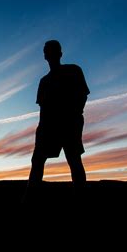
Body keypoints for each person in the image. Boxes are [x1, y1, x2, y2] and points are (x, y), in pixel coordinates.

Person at [26, 40, 90, 196]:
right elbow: (43, 109)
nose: (49, 54)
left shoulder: (74, 71)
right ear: (45, 56)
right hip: (48, 128)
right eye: (47, 51)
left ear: (60, 53)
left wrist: (74, 116)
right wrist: (40, 131)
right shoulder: (44, 81)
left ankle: (81, 197)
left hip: (70, 124)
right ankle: (30, 197)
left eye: (53, 50)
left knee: (74, 160)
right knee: (37, 161)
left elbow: (83, 95)